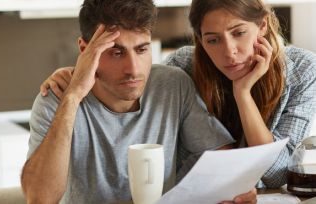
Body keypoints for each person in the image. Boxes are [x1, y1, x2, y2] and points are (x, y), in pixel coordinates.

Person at [41, 0, 316, 189]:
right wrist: (80, 72)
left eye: (239, 33)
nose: (229, 51)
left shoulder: (302, 71)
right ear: (199, 38)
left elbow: (275, 173)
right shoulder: (183, 67)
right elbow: (130, 81)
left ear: (264, 26)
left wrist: (243, 93)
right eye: (213, 39)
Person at [21, 0, 256, 203]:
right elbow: (39, 199)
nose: (133, 70)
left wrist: (237, 187)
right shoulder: (57, 98)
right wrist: (73, 97)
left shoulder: (172, 85)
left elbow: (222, 162)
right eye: (116, 52)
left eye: (142, 49)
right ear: (85, 50)